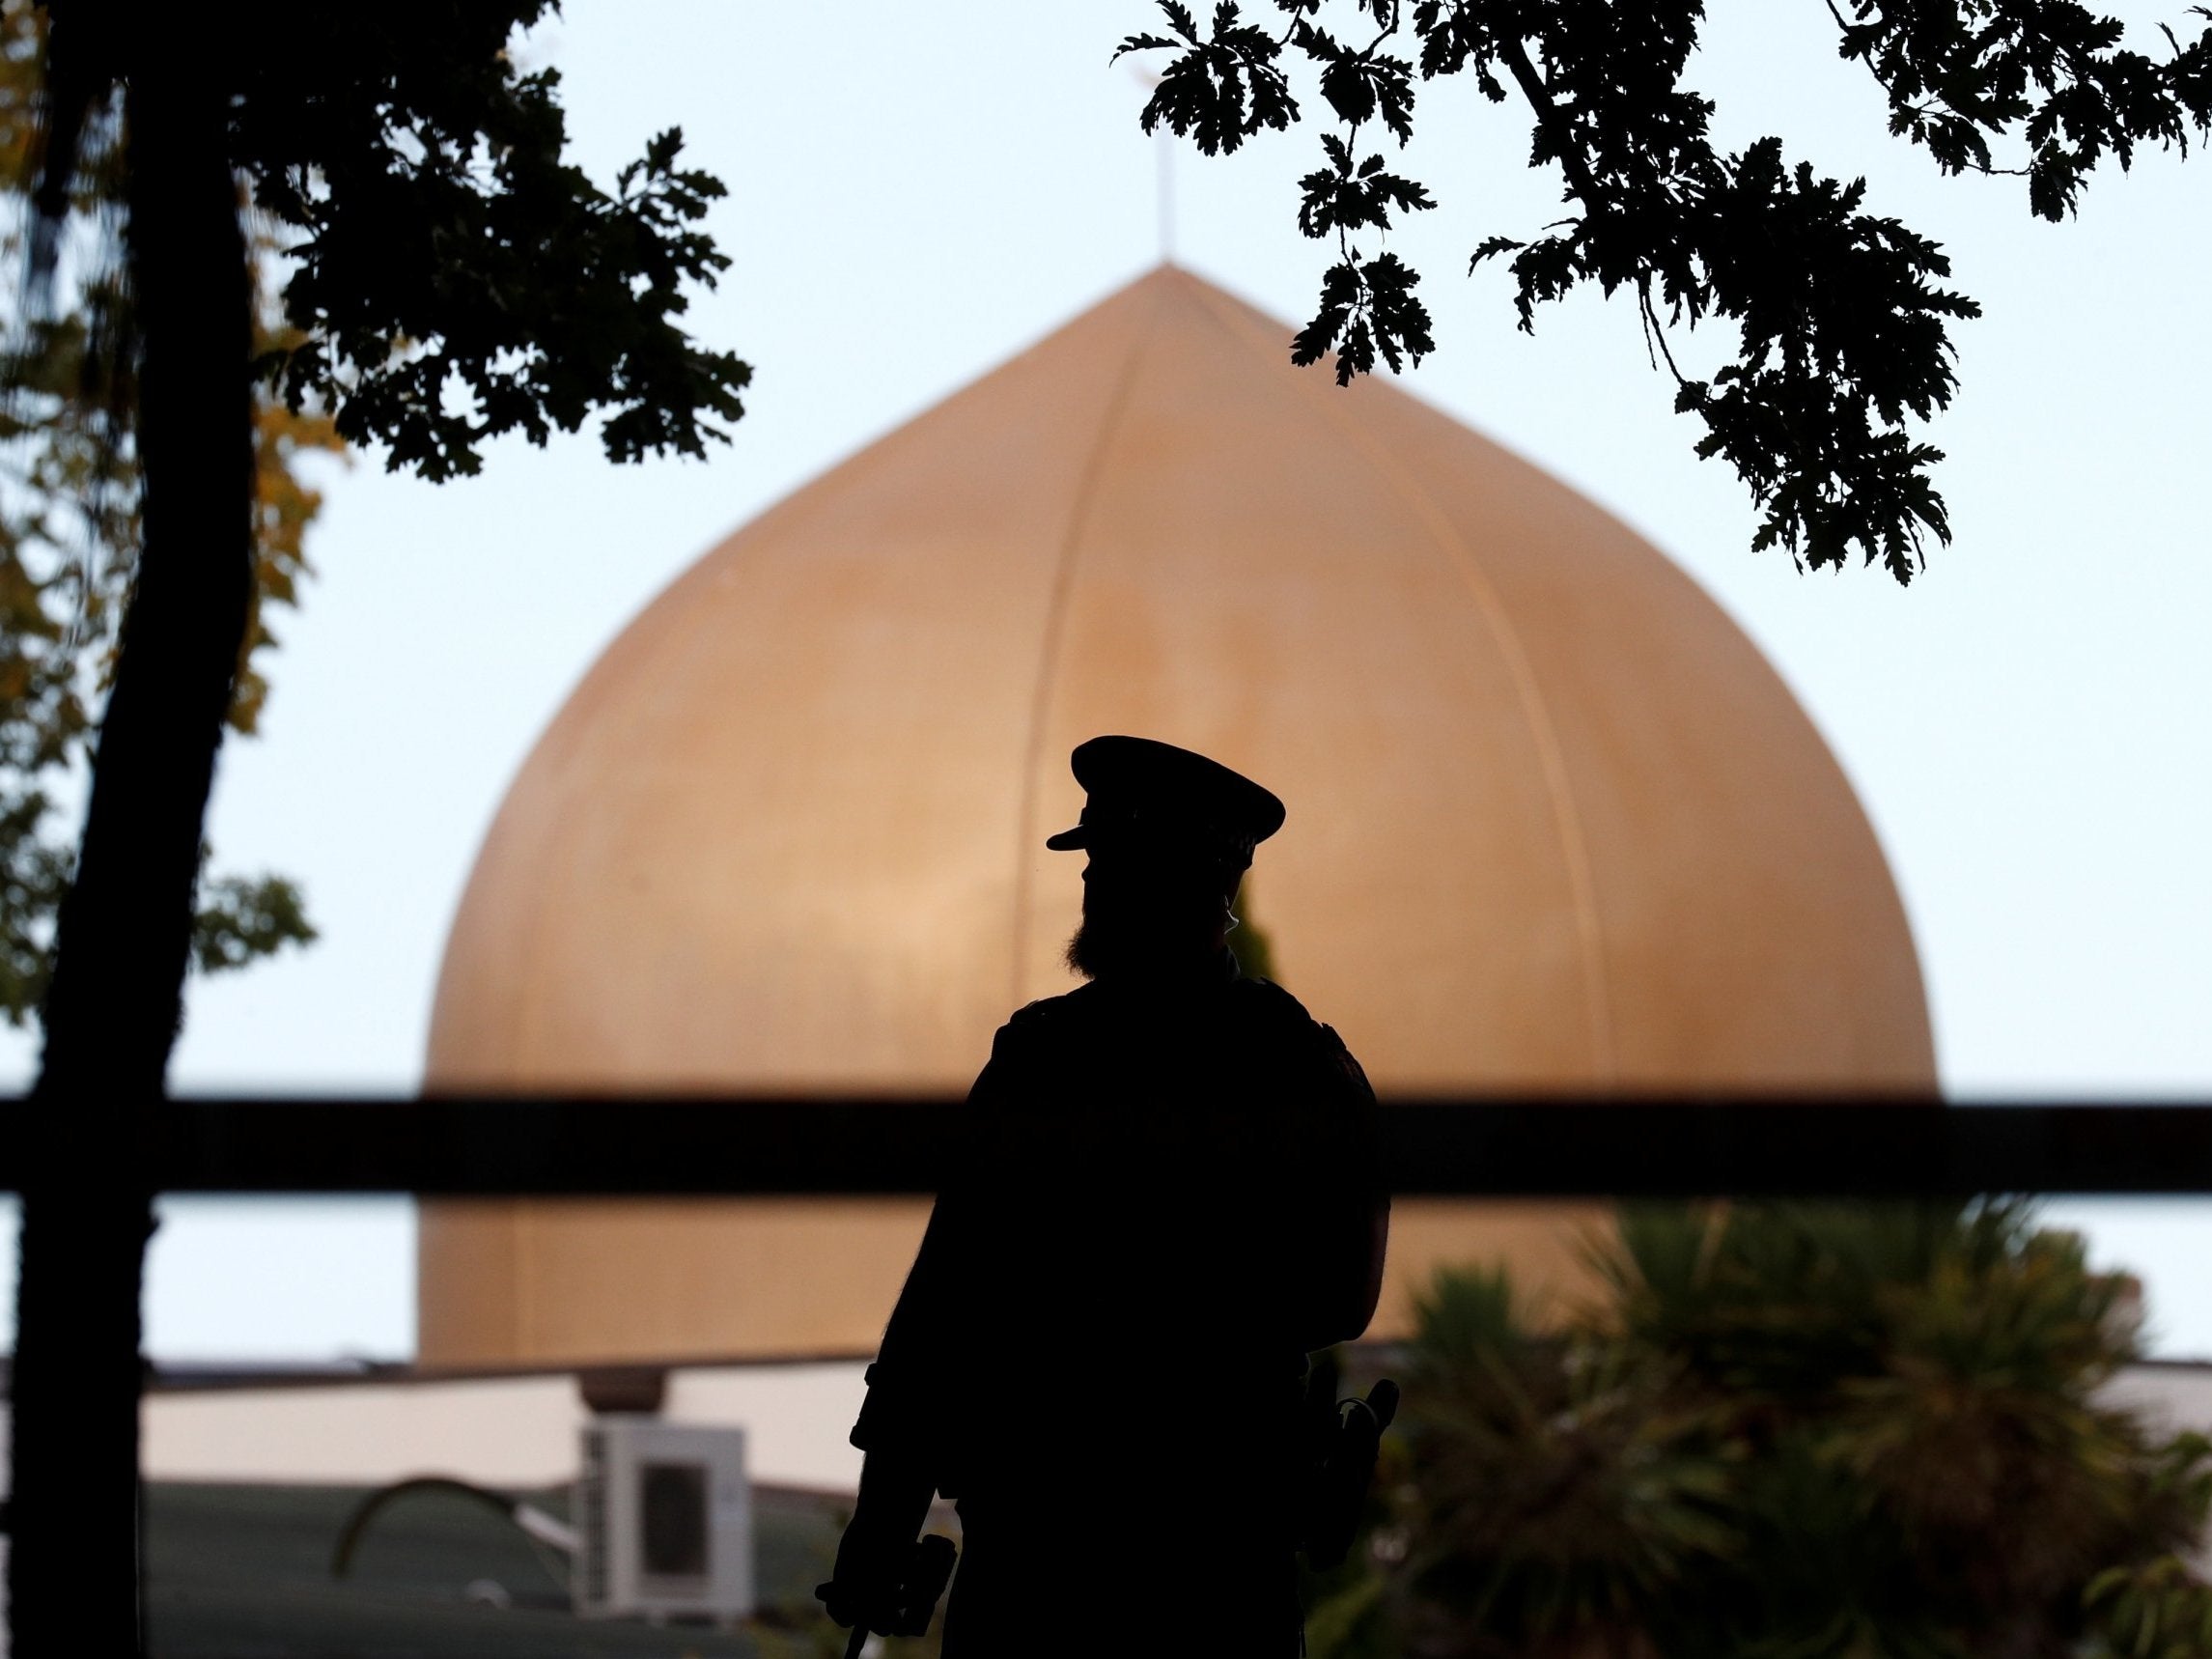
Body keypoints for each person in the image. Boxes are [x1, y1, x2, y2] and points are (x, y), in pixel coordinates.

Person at [817, 735, 1389, 1657]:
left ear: (1196, 881)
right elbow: (941, 1312)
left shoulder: (1081, 1063)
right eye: (1093, 862)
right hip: (1114, 1561)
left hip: (1167, 1566)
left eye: (1117, 864)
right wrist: (883, 1523)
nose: (1090, 886)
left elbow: (1335, 1297)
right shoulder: (1269, 1065)